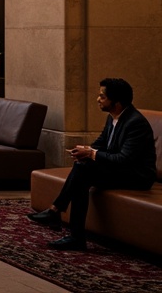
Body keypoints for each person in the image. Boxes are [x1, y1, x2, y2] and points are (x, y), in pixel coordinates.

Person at [27, 78, 157, 250]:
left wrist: (91, 154)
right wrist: (85, 151)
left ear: (116, 102)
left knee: (83, 171)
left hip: (137, 176)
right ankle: (69, 229)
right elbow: (101, 143)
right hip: (119, 169)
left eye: (102, 96)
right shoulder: (113, 118)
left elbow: (124, 159)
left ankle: (58, 215)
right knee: (82, 169)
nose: (97, 99)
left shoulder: (135, 123)